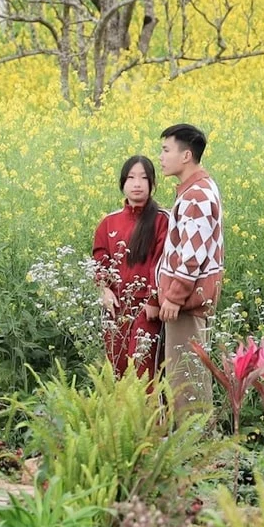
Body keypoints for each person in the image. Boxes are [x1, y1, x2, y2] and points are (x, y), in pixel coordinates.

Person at [154, 122, 223, 412]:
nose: (161, 157)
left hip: (187, 302)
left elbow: (192, 255)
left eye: (166, 150)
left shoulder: (196, 195)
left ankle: (198, 450)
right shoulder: (195, 190)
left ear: (186, 156)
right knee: (185, 376)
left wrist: (174, 296)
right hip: (187, 300)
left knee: (186, 381)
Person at [92, 154, 167, 379]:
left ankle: (152, 415)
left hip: (146, 309)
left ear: (152, 184)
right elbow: (99, 259)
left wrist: (153, 300)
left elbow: (161, 263)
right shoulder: (109, 223)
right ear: (122, 183)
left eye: (143, 178)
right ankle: (122, 415)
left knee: (144, 372)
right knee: (117, 369)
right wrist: (103, 289)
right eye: (131, 178)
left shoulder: (163, 220)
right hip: (115, 308)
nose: (137, 184)